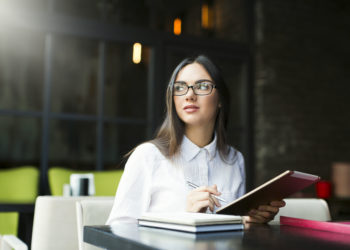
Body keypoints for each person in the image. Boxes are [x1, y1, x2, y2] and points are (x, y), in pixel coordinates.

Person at [106, 55, 285, 225]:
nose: (189, 95)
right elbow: (118, 229)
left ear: (221, 98)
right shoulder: (148, 156)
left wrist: (250, 220)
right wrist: (185, 218)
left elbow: (232, 234)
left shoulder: (234, 159)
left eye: (202, 86)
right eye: (180, 87)